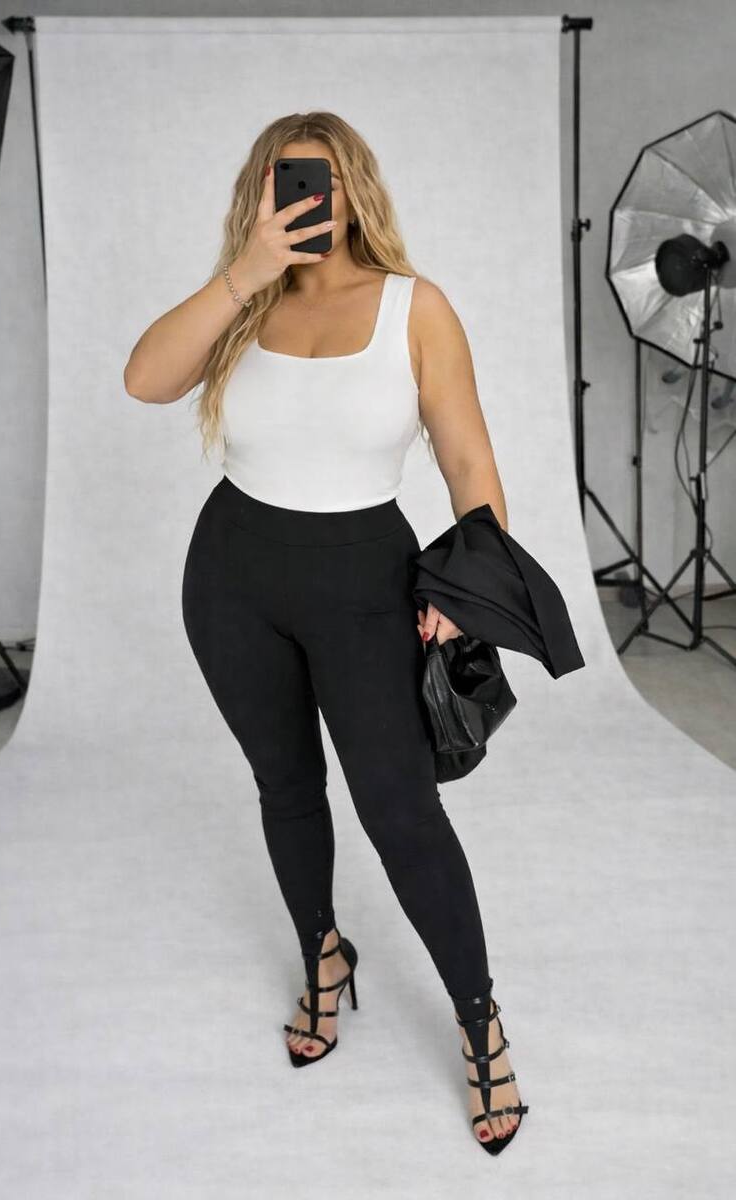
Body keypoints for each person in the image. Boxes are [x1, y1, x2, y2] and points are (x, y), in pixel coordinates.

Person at [123, 112, 528, 1155]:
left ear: (356, 190)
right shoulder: (243, 297)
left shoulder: (413, 306)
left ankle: (479, 1022)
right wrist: (246, 269)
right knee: (286, 786)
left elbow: (470, 463)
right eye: (288, 181)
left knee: (402, 811)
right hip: (232, 578)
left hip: (363, 584)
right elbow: (144, 379)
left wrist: (469, 586)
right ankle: (322, 956)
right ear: (260, 195)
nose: (311, 198)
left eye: (326, 179)